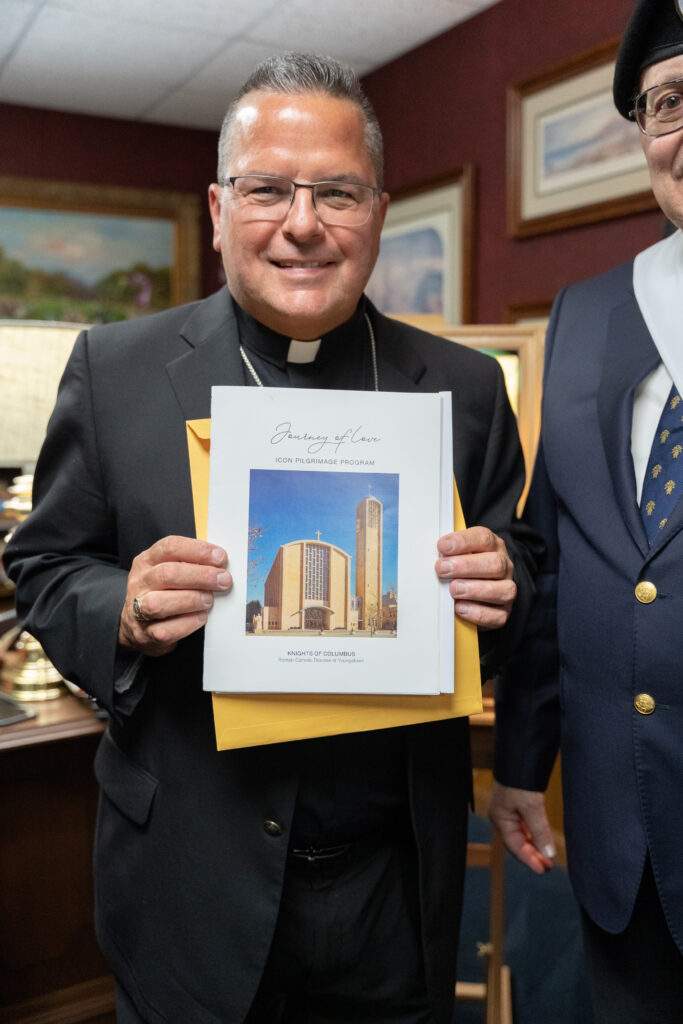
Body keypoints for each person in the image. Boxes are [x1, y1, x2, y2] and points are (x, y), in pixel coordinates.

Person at [6, 54, 536, 1024]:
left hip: (391, 886)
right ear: (217, 209)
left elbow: (520, 578)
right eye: (267, 190)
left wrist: (502, 587)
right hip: (188, 880)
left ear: (376, 208)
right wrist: (117, 607)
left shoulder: (462, 389)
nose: (301, 223)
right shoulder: (114, 369)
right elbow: (42, 567)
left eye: (335, 191)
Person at [490, 3, 683, 1021]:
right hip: (622, 848)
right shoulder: (586, 310)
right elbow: (555, 555)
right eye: (667, 102)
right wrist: (522, 761)